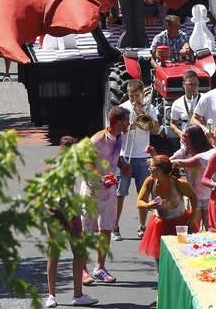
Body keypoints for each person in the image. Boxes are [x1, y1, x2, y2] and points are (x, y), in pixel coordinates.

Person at [46, 136, 99, 309]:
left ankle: (71, 295)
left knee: (73, 253)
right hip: (59, 212)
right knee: (62, 253)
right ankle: (56, 295)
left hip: (62, 210)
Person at [81, 106, 131, 283]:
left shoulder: (120, 137)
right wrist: (101, 177)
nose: (129, 124)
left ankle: (100, 268)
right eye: (126, 120)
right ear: (117, 122)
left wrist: (123, 164)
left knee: (106, 229)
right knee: (86, 232)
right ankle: (82, 269)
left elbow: (115, 157)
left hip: (109, 190)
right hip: (92, 190)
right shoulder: (97, 139)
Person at [113, 80, 159, 242]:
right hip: (126, 156)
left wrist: (141, 113)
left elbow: (156, 129)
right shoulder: (122, 109)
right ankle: (115, 227)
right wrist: (126, 128)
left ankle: (142, 227)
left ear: (142, 93)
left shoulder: (149, 108)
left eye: (136, 96)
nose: (134, 99)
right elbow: (113, 132)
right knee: (120, 193)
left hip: (143, 157)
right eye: (131, 96)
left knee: (143, 194)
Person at [137, 155, 198, 261]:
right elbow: (139, 202)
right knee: (160, 257)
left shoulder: (179, 183)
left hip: (180, 223)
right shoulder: (150, 181)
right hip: (160, 225)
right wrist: (148, 205)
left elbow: (194, 197)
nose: (148, 170)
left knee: (182, 254)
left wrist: (192, 217)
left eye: (151, 168)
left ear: (159, 171)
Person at [171, 125, 213, 229]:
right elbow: (168, 161)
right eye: (183, 135)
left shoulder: (208, 152)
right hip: (194, 196)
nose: (182, 138)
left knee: (210, 227)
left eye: (186, 136)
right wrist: (155, 157)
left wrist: (174, 163)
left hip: (210, 195)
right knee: (195, 226)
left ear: (195, 138)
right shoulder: (184, 152)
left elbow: (190, 163)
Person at [170, 70, 201, 140]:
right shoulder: (177, 103)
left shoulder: (205, 99)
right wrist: (180, 133)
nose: (192, 88)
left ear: (198, 83)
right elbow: (173, 124)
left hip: (203, 140)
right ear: (183, 84)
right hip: (187, 140)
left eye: (195, 84)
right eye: (189, 85)